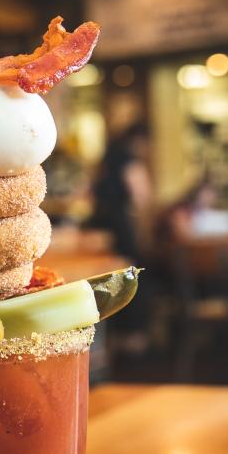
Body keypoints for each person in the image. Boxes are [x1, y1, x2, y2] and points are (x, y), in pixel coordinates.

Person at [90, 122, 154, 355]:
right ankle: (133, 339)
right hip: (122, 227)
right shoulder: (130, 161)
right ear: (140, 141)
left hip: (102, 229)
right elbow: (142, 197)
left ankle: (110, 340)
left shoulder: (106, 160)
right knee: (132, 278)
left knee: (106, 281)